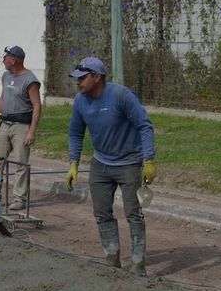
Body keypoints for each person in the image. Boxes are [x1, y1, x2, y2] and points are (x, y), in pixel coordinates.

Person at [66, 56, 157, 275]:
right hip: (101, 164)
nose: (78, 82)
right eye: (76, 78)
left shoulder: (121, 96)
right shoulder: (80, 101)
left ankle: (138, 264)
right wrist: (73, 163)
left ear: (97, 77)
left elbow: (145, 125)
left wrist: (149, 160)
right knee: (102, 213)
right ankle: (112, 259)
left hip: (129, 164)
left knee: (133, 214)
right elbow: (75, 133)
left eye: (82, 78)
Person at [0, 45, 42, 212]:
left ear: (13, 60)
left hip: (21, 126)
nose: (3, 60)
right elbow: (3, 97)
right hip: (5, 124)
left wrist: (32, 131)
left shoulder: (30, 80)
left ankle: (19, 199)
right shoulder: (6, 76)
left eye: (5, 58)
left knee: (21, 162)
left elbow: (37, 105)